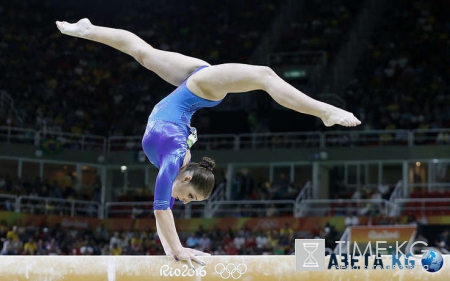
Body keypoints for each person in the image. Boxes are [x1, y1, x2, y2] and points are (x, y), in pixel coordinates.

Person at [55, 18, 361, 267]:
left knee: (144, 53)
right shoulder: (174, 160)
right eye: (189, 197)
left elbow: (162, 212)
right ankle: (324, 111)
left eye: (187, 200)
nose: (184, 203)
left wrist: (173, 252)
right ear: (186, 177)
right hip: (200, 88)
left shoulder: (174, 162)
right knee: (264, 76)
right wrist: (178, 250)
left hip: (191, 85)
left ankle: (89, 30)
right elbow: (162, 211)